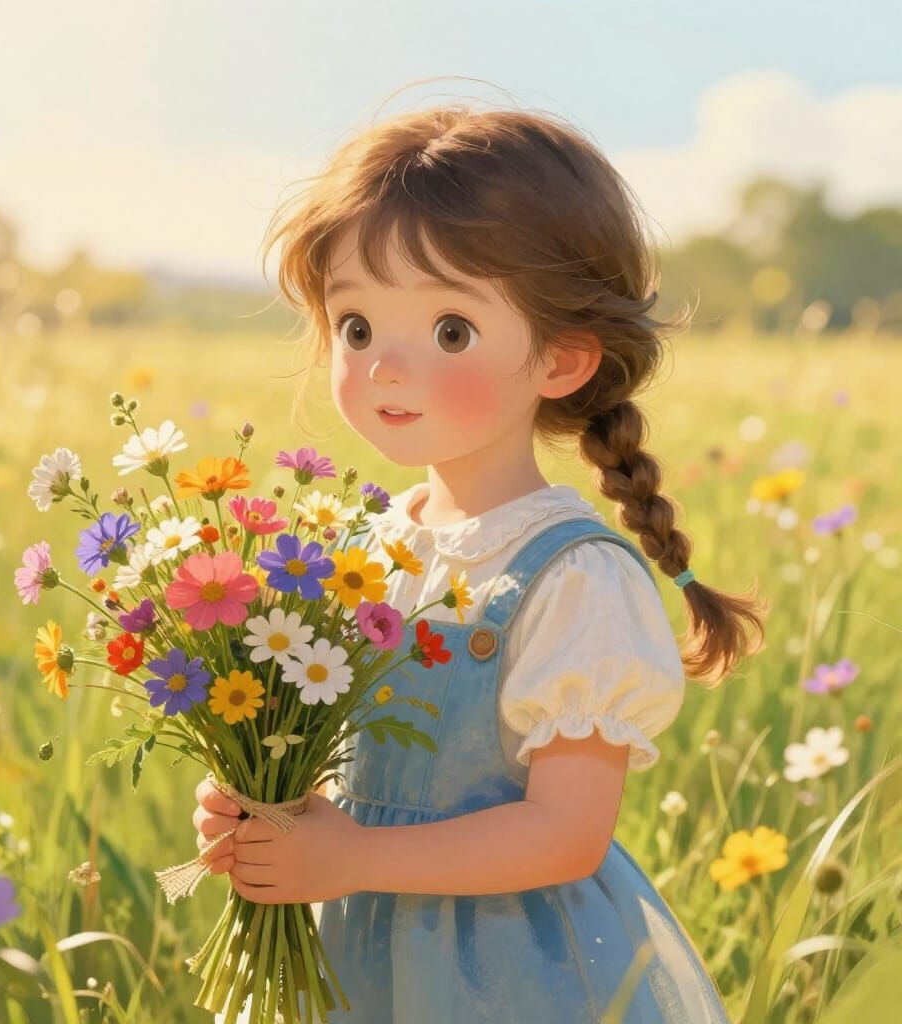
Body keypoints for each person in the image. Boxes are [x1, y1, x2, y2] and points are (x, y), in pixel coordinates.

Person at [192, 101, 767, 1022]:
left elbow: (567, 834)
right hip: (355, 952)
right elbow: (346, 766)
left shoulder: (572, 576)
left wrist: (351, 858)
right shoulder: (363, 549)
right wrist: (266, 810)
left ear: (563, 359)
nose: (384, 367)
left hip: (507, 974)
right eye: (356, 326)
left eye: (450, 330)